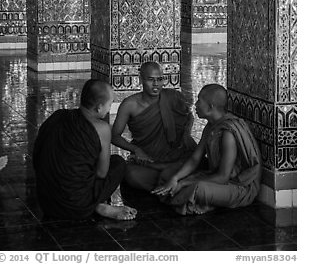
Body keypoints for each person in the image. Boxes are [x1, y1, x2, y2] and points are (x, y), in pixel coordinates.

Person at [33, 79, 137, 221]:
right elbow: (102, 173)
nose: (109, 109)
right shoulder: (101, 128)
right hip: (77, 206)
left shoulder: (57, 116)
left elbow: (37, 154)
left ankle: (93, 203)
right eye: (110, 104)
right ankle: (97, 205)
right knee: (118, 163)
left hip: (46, 202)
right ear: (99, 107)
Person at [152, 84, 262, 215]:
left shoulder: (228, 133)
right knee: (168, 174)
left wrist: (183, 183)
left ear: (211, 107)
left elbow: (223, 177)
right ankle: (195, 199)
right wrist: (175, 178)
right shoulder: (211, 126)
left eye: (199, 101)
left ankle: (201, 200)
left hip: (238, 186)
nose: (196, 105)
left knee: (198, 189)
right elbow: (194, 160)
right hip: (215, 176)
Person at [111, 61, 196, 191]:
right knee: (131, 174)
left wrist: (186, 134)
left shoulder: (173, 96)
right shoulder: (130, 105)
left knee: (196, 160)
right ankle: (172, 183)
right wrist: (136, 150)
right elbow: (114, 136)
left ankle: (168, 180)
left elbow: (189, 117)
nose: (156, 84)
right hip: (147, 159)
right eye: (151, 80)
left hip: (176, 154)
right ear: (141, 80)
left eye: (159, 79)